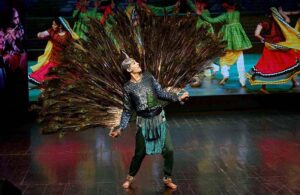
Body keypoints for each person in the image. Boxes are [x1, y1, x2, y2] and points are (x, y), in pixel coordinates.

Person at [109, 54, 189, 189]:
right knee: (140, 153)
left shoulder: (148, 77)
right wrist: (120, 128)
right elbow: (127, 110)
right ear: (129, 70)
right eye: (134, 63)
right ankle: (130, 177)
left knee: (169, 150)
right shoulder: (128, 88)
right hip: (144, 123)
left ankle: (167, 178)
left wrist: (178, 97)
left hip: (159, 119)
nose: (137, 63)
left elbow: (161, 94)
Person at [246, 7, 300, 93]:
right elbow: (288, 19)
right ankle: (294, 82)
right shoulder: (281, 23)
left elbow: (256, 34)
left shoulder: (263, 23)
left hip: (270, 47)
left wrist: (262, 38)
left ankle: (263, 87)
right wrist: (281, 12)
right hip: (281, 46)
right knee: (288, 63)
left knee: (266, 66)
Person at [200, 0, 252, 87]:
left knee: (223, 59)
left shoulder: (225, 16)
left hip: (228, 42)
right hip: (238, 42)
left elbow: (211, 20)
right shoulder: (237, 13)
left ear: (226, 5)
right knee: (240, 61)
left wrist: (201, 14)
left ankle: (226, 74)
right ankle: (242, 82)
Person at [29, 17, 78, 85]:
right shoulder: (52, 31)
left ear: (60, 26)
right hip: (54, 60)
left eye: (54, 24)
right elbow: (41, 35)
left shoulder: (68, 35)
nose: (52, 26)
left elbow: (74, 46)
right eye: (52, 24)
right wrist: (40, 34)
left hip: (64, 61)